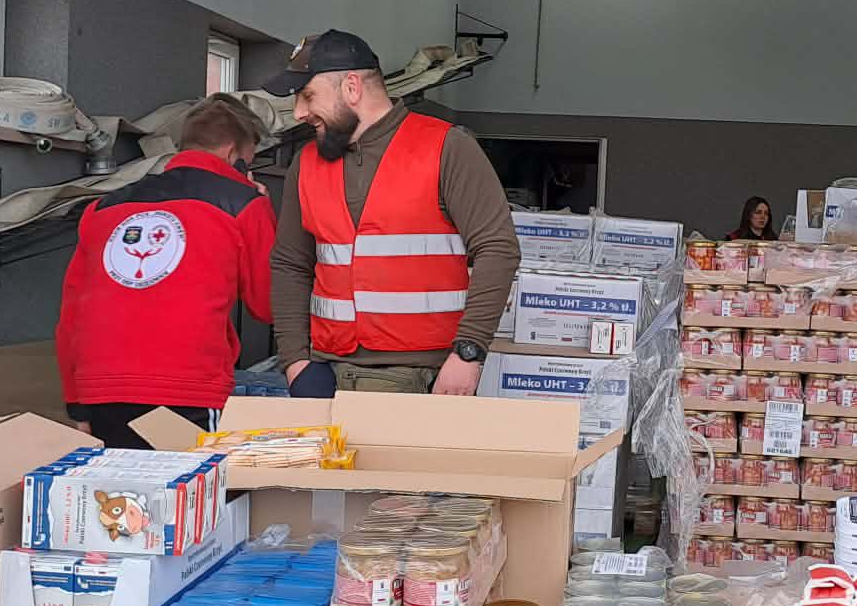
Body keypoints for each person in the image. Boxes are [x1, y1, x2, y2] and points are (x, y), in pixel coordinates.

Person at [266, 30, 521, 396]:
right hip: (324, 376)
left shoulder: (447, 148)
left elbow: (498, 249)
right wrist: (295, 362)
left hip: (423, 380)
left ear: (351, 87)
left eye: (307, 96)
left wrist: (468, 353)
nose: (299, 112)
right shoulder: (305, 164)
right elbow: (290, 263)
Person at [57, 95, 275, 447]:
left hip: (102, 390)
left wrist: (77, 406)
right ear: (236, 152)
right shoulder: (244, 203)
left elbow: (71, 317)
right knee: (190, 499)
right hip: (189, 389)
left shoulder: (102, 208)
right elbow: (266, 305)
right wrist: (263, 211)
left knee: (122, 497)